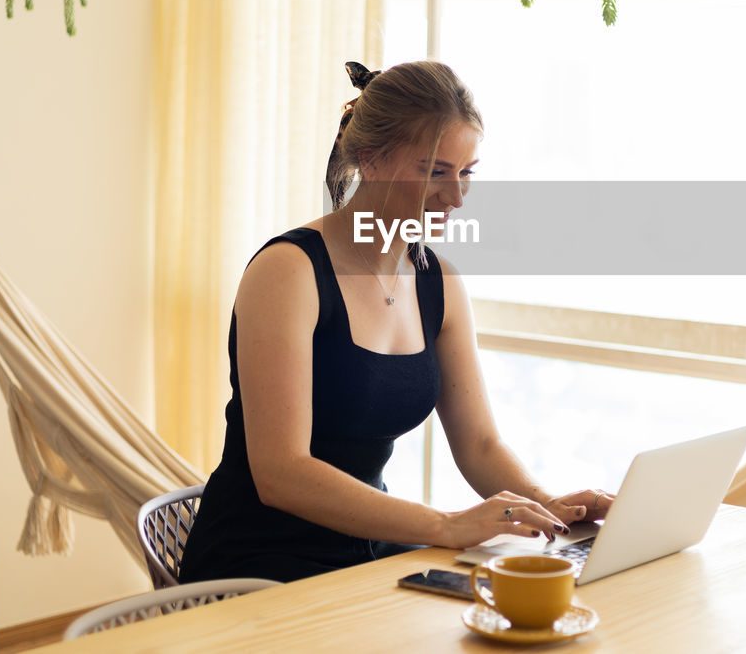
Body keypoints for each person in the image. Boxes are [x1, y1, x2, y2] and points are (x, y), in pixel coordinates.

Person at [179, 60, 615, 583]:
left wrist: (548, 505)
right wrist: (447, 524)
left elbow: (479, 445)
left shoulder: (439, 284)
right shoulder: (288, 272)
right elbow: (281, 473)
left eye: (466, 172)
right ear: (371, 159)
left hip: (368, 560)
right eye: (434, 171)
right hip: (259, 568)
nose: (455, 197)